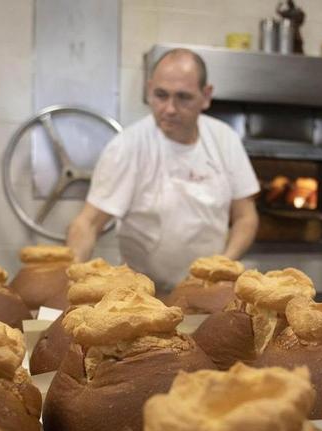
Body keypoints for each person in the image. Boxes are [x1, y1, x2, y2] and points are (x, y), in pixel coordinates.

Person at [67, 48, 260, 291]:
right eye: (160, 95)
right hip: (144, 296)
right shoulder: (127, 146)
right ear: (149, 90)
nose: (169, 108)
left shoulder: (224, 139)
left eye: (183, 97)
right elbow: (88, 223)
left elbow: (245, 217)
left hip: (209, 290)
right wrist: (70, 283)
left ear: (206, 95)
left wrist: (224, 265)